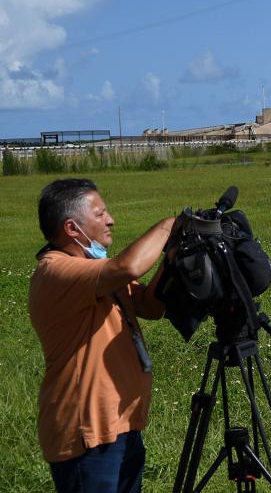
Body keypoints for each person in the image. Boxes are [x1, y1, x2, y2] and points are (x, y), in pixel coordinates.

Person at [29, 178, 175, 493]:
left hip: (120, 424)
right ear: (72, 228)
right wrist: (170, 226)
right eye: (100, 214)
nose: (111, 220)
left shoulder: (95, 268)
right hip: (87, 434)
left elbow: (150, 307)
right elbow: (129, 267)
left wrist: (172, 258)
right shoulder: (56, 271)